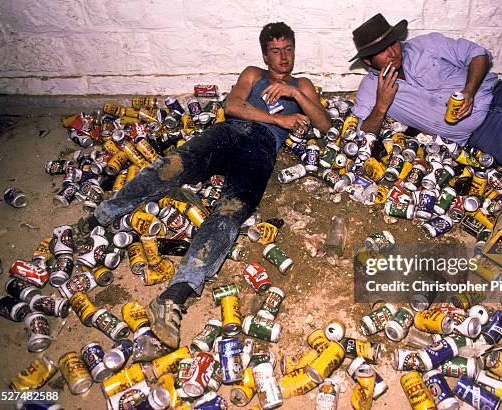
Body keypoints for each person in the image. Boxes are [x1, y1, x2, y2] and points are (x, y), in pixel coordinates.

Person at [77, 22, 330, 348]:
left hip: (262, 149)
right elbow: (232, 106)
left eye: (288, 50)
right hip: (231, 132)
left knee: (231, 213)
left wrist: (295, 94)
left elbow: (323, 123)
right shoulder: (254, 74)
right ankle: (101, 215)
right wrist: (278, 118)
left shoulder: (303, 84)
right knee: (171, 167)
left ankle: (174, 296)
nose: (283, 58)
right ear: (265, 55)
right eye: (276, 51)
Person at [349, 13, 502, 186]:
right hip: (482, 130)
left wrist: (470, 91)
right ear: (368, 61)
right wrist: (381, 106)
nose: (392, 52)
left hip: (501, 92)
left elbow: (477, 54)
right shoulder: (371, 89)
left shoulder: (426, 45)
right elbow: (362, 133)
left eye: (392, 42)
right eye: (382, 50)